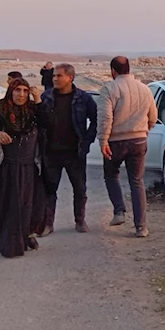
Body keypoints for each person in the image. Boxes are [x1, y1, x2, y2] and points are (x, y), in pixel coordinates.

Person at [0, 78, 46, 257]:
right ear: (11, 91)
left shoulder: (33, 110)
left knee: (28, 207)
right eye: (17, 90)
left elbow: (49, 124)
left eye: (24, 90)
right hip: (5, 169)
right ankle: (11, 245)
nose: (21, 94)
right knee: (8, 207)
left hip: (30, 169)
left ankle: (26, 236)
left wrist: (38, 101)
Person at [97, 56, 158, 237]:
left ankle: (119, 211)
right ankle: (141, 227)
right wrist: (145, 129)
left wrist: (103, 140)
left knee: (111, 174)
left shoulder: (109, 88)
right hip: (139, 140)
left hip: (115, 141)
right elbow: (152, 116)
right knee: (136, 181)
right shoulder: (144, 88)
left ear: (113, 71)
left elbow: (105, 118)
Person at [39, 63, 97, 235]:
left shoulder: (83, 98)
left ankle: (80, 221)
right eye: (54, 76)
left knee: (79, 189)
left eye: (59, 76)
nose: (54, 78)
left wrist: (86, 142)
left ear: (70, 77)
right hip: (50, 152)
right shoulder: (46, 97)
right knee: (49, 190)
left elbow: (95, 120)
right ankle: (48, 224)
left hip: (74, 152)